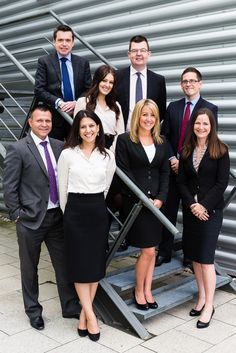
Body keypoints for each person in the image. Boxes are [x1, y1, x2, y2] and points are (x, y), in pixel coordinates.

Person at [3, 104, 80, 331]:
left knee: (63, 265)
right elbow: (9, 186)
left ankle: (70, 306)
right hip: (30, 220)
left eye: (47, 120)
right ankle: (33, 311)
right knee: (30, 268)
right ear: (30, 122)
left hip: (57, 217)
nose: (44, 124)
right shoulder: (18, 148)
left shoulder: (59, 146)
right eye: (40, 120)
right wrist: (17, 214)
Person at [57, 110, 116, 341]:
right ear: (77, 130)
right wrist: (69, 214)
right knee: (81, 267)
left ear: (98, 128)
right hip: (75, 211)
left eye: (92, 125)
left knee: (94, 267)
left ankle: (83, 314)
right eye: (83, 127)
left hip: (97, 210)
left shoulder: (107, 156)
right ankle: (92, 317)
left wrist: (95, 205)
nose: (88, 130)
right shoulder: (68, 155)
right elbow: (62, 190)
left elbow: (107, 187)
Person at [156, 67, 218, 267]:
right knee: (169, 210)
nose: (188, 84)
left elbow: (208, 139)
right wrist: (173, 159)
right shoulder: (173, 107)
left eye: (192, 80)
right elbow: (164, 136)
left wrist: (185, 162)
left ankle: (190, 256)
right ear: (181, 84)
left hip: (194, 172)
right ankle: (164, 251)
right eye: (185, 81)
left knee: (192, 213)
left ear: (200, 83)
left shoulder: (210, 108)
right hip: (173, 168)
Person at [177, 108, 229, 328]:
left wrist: (203, 206)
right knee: (195, 258)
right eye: (198, 123)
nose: (201, 127)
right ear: (193, 125)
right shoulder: (186, 150)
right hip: (191, 212)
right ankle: (201, 297)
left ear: (211, 126)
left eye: (205, 124)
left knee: (206, 260)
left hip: (211, 213)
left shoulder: (221, 150)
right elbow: (181, 182)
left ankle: (209, 305)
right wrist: (192, 205)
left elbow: (222, 183)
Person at [116, 99, 169, 310]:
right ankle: (140, 290)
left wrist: (161, 198)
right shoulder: (125, 140)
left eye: (152, 115)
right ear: (138, 116)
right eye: (145, 114)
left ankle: (148, 289)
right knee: (147, 250)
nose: (148, 119)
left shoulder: (161, 141)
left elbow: (165, 172)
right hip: (136, 203)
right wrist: (143, 197)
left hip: (157, 203)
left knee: (152, 250)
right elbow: (123, 172)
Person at [34, 24, 92, 140]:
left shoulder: (83, 63)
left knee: (76, 152)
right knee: (55, 153)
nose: (64, 44)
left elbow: (89, 89)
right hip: (54, 118)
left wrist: (77, 103)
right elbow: (39, 90)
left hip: (77, 117)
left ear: (73, 43)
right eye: (60, 40)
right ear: (54, 42)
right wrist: (59, 103)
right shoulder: (44, 62)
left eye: (67, 40)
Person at [116, 35, 166, 131]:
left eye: (142, 50)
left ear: (148, 54)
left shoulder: (158, 80)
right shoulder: (117, 77)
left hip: (147, 135)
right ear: (129, 54)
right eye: (134, 51)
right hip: (122, 135)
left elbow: (161, 111)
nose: (139, 54)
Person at [74, 64, 125, 151]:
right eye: (104, 80)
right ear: (97, 81)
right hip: (88, 148)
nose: (107, 85)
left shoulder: (116, 106)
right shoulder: (83, 102)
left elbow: (120, 134)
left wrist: (111, 153)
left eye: (111, 82)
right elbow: (76, 130)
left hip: (111, 150)